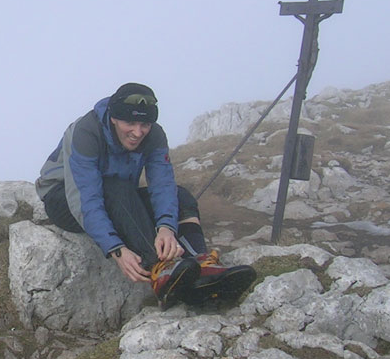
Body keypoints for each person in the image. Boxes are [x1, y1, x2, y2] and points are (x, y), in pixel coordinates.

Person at [36, 82, 255, 308]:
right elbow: (85, 199)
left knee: (181, 197)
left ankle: (200, 263)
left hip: (116, 195)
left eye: (145, 124)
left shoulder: (155, 135)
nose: (137, 132)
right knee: (114, 187)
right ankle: (159, 269)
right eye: (129, 123)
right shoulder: (86, 132)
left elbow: (162, 184)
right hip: (63, 199)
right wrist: (116, 250)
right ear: (113, 117)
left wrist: (166, 228)